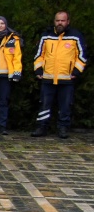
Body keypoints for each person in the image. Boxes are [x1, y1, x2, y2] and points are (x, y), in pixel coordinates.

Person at [32, 9, 85, 138]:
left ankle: (63, 128)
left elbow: (82, 56)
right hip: (48, 77)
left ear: (68, 22)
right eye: (57, 20)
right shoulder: (46, 35)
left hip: (67, 78)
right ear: (54, 21)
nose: (60, 23)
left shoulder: (76, 36)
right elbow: (39, 55)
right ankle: (41, 127)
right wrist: (38, 69)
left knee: (65, 105)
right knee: (44, 104)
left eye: (63, 20)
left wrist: (76, 71)